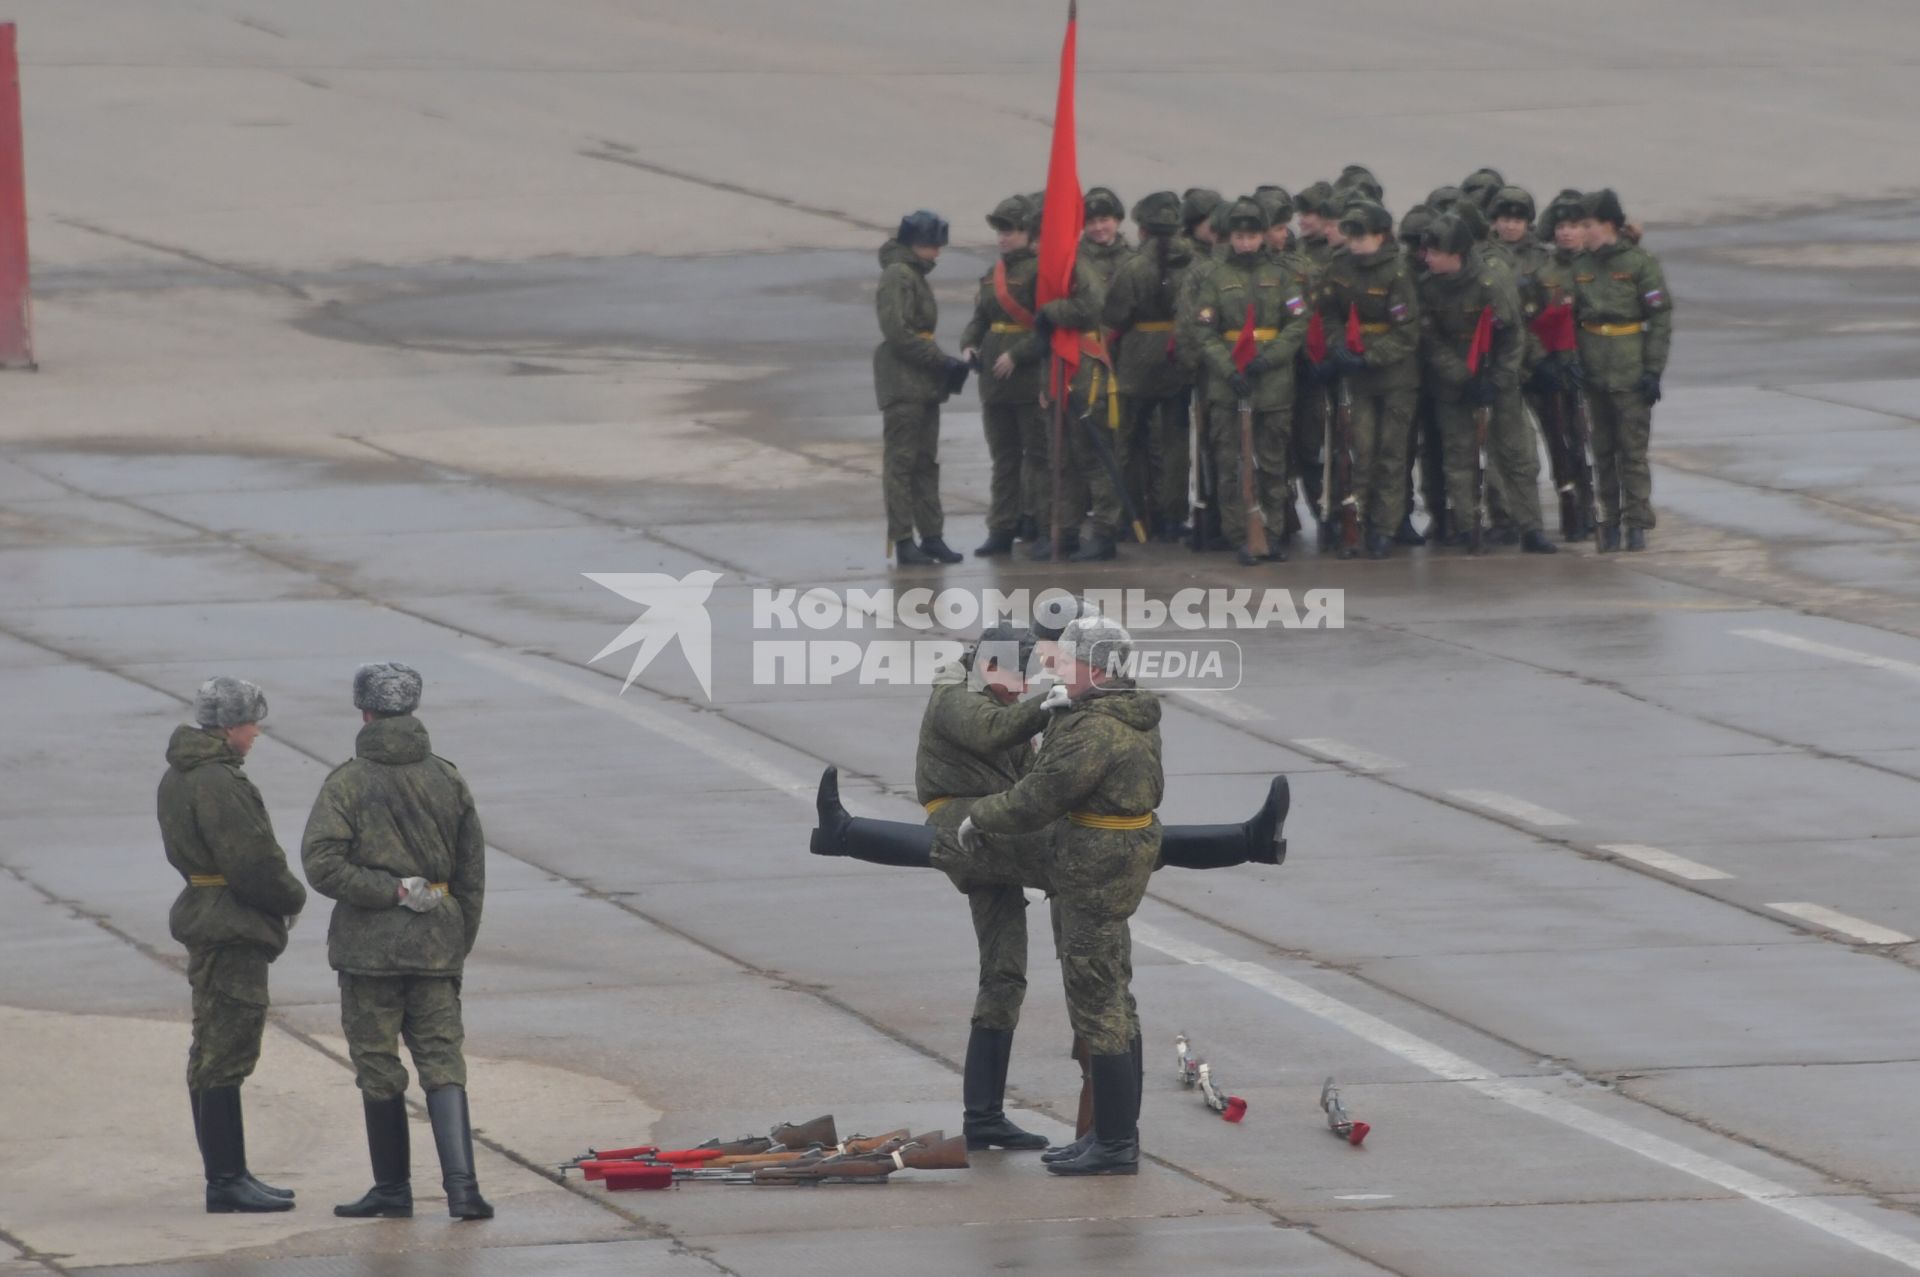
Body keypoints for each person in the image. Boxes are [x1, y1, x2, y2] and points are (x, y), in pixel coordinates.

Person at [961, 613, 1163, 1177]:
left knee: (1097, 1000)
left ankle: (1116, 1142)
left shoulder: (1091, 728)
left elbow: (1036, 796)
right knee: (1114, 993)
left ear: (1097, 670)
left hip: (1092, 868)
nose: (1056, 667)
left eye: (1068, 661)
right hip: (1114, 860)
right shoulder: (1127, 710)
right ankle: (1109, 1133)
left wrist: (981, 815)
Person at [303, 663, 492, 1221]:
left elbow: (322, 865)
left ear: (365, 712)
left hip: (369, 953)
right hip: (437, 946)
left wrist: (387, 892)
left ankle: (393, 1189)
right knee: (443, 1060)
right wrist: (455, 939)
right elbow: (471, 873)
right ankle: (463, 1190)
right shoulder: (447, 778)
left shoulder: (347, 782)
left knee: (378, 1064)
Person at [159, 676, 308, 1214]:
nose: (256, 732)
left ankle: (230, 1172)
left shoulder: (181, 775)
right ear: (229, 728)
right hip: (232, 924)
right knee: (227, 1051)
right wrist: (290, 896)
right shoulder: (219, 782)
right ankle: (225, 1180)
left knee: (211, 1048)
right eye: (251, 723)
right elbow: (253, 862)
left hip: (208, 917)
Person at [1418, 216, 1555, 554]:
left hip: (1496, 379)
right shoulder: (1428, 287)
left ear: (1457, 253)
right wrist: (1462, 378)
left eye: (1435, 252)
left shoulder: (1491, 283)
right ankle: (1468, 526)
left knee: (1515, 455)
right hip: (1454, 385)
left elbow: (1512, 335)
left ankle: (1531, 527)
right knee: (1459, 457)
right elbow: (1430, 340)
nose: (1428, 258)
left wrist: (1498, 379)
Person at [1188, 197, 1312, 565]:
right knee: (1232, 464)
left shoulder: (1282, 277)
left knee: (1272, 464)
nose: (1245, 243)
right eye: (1239, 236)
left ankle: (1270, 533)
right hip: (1229, 384)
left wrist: (1269, 358)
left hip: (1272, 384)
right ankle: (1240, 534)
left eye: (1252, 236)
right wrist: (1228, 369)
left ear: (1263, 237)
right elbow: (1204, 331)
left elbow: (1298, 323)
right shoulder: (1216, 278)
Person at [1314, 200, 1420, 559]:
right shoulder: (1338, 268)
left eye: (1362, 237)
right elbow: (1327, 314)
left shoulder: (1398, 272)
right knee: (1359, 450)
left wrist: (1370, 357)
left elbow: (1406, 332)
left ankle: (1384, 527)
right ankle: (1353, 524)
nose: (1355, 243)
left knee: (1391, 454)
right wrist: (1336, 346)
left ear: (1381, 236)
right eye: (1351, 236)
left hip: (1393, 375)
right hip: (1355, 374)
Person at [1572, 188, 1672, 551]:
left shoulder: (1639, 265)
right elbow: (1569, 320)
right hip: (1594, 369)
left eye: (1588, 225)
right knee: (1601, 450)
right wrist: (1574, 362)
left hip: (1629, 370)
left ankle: (1637, 523)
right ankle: (1609, 520)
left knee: (1632, 452)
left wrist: (1652, 370)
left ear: (1609, 225)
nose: (1583, 232)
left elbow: (1659, 318)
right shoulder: (1579, 268)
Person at [874, 210, 969, 566]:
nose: (937, 254)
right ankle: (903, 539)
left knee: (925, 463)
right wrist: (938, 360)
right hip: (903, 382)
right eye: (933, 247)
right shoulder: (898, 275)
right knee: (901, 463)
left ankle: (931, 536)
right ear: (917, 245)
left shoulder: (911, 274)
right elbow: (897, 332)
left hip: (922, 382)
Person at [1104, 191, 1195, 542]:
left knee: (1129, 442)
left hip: (1137, 360)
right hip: (1177, 358)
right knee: (1175, 443)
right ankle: (1172, 515)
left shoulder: (1132, 267)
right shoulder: (1193, 264)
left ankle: (1132, 513)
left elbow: (1115, 314)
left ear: (1142, 230)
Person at [960, 195, 1044, 557]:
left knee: (1039, 457)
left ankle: (1041, 524)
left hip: (1029, 380)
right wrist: (969, 345)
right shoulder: (992, 275)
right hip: (994, 384)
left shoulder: (1042, 273)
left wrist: (1017, 353)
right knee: (1004, 458)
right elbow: (979, 321)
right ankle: (1001, 527)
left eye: (1010, 230)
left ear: (1028, 233)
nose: (1003, 238)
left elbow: (1048, 328)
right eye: (1000, 230)